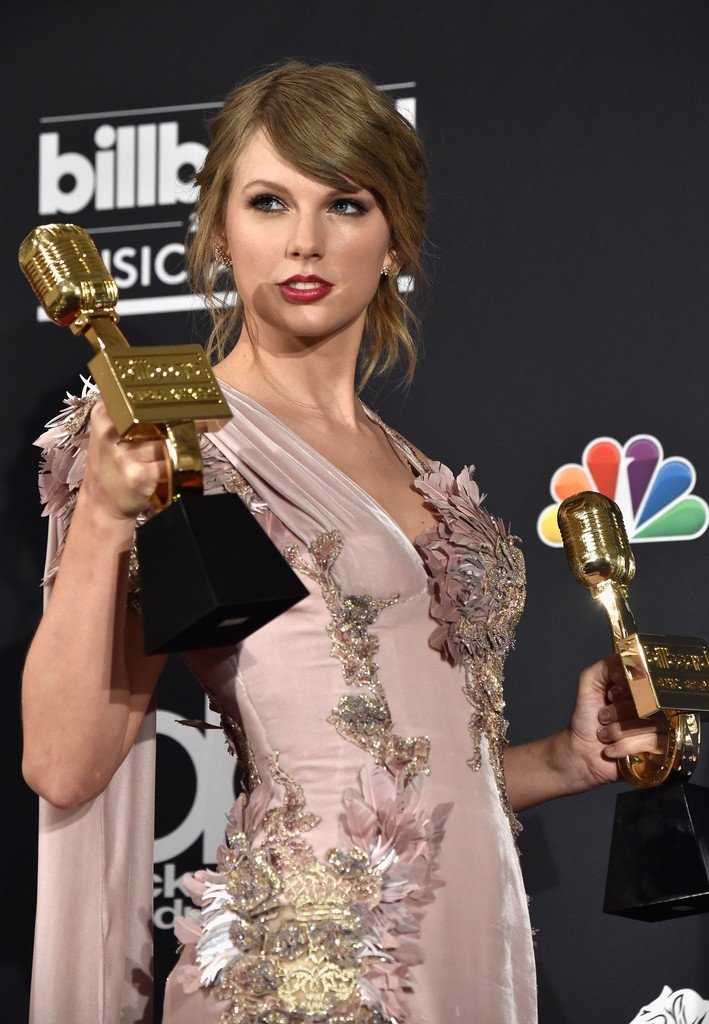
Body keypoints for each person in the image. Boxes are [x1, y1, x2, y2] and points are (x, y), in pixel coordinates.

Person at [22, 61, 664, 1024]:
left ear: (394, 233)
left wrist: (564, 763)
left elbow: (416, 769)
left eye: (346, 203)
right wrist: (111, 515)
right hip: (307, 977)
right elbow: (65, 766)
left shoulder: (412, 462)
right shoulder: (166, 438)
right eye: (269, 202)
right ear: (217, 232)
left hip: (473, 957)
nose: (305, 241)